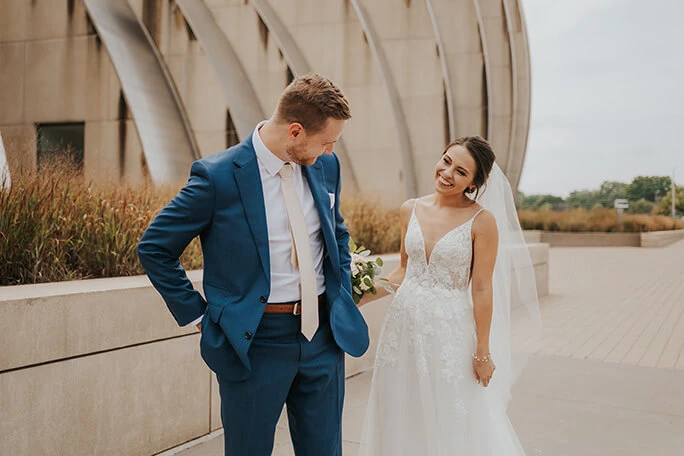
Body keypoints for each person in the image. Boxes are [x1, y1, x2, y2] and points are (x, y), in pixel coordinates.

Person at [137, 73, 369, 456]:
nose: (330, 151)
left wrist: (340, 292)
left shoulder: (327, 167)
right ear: (295, 132)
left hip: (323, 337)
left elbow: (337, 235)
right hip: (254, 343)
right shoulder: (217, 177)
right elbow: (155, 248)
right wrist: (200, 318)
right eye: (326, 142)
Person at [358, 136, 541, 455]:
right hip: (401, 330)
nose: (447, 173)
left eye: (460, 171)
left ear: (474, 182)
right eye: (446, 161)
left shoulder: (482, 221)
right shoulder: (409, 209)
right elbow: (403, 270)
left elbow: (482, 288)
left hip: (449, 333)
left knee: (452, 411)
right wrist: (356, 294)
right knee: (399, 405)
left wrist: (482, 351)